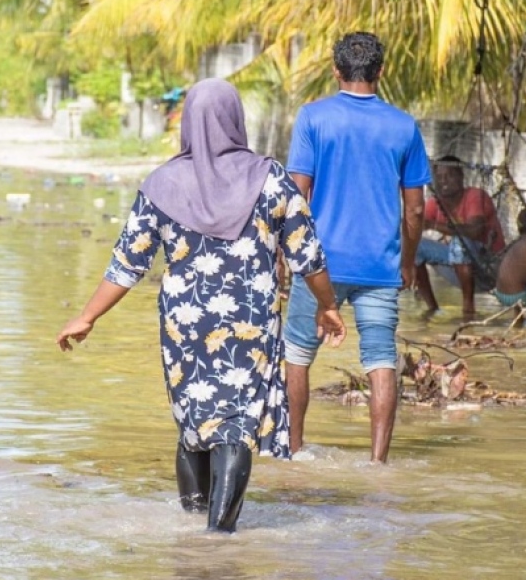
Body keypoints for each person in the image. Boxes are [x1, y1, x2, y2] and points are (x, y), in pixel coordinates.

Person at [57, 79, 346, 532]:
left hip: (184, 325)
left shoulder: (161, 184)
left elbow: (127, 264)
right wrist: (327, 305)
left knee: (194, 420)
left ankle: (193, 528)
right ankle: (218, 535)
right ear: (236, 119)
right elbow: (307, 253)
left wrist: (88, 315)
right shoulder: (270, 180)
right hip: (249, 322)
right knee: (236, 424)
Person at [284, 32, 431, 463]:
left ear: (336, 70)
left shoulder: (313, 118)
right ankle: (378, 463)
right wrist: (407, 261)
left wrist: (287, 255)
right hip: (380, 265)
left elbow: (297, 195)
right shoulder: (404, 126)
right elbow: (416, 209)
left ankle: (294, 452)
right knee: (381, 359)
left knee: (297, 353)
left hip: (318, 265)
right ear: (381, 72)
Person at [414, 154, 505, 319]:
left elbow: (474, 232)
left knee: (459, 242)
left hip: (487, 262)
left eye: (449, 175)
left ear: (461, 176)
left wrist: (434, 226)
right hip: (458, 261)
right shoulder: (436, 202)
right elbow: (415, 225)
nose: (444, 181)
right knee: (413, 245)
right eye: (439, 177)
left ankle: (468, 309)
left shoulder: (475, 196)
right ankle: (432, 308)